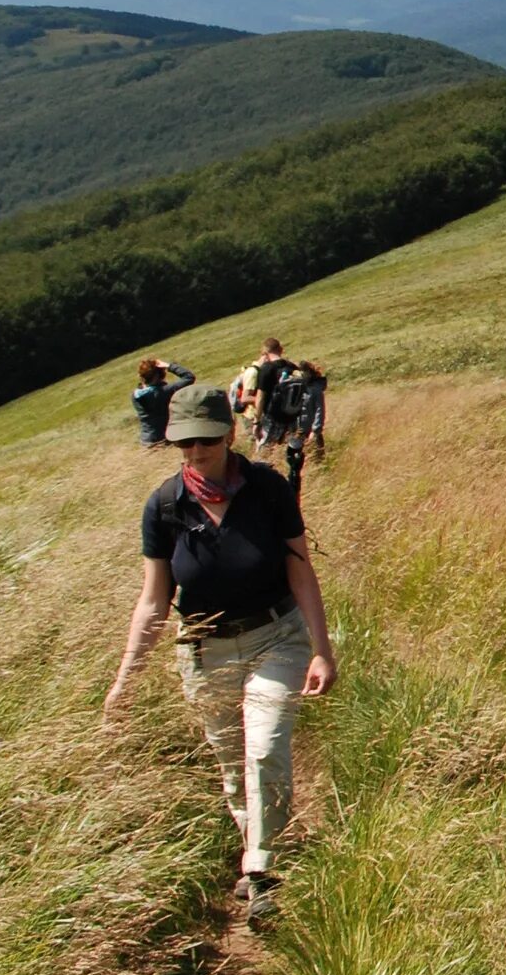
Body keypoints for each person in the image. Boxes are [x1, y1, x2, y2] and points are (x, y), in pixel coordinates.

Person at [103, 383, 337, 924]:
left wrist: (321, 651)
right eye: (183, 443)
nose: (195, 452)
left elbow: (300, 568)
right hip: (205, 653)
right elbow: (153, 601)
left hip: (276, 637)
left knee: (265, 747)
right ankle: (261, 850)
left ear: (230, 434)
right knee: (234, 767)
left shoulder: (267, 489)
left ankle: (260, 868)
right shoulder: (164, 506)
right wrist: (124, 680)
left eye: (205, 440)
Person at [234, 336, 297, 458]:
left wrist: (257, 422)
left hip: (272, 417)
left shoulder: (266, 369)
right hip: (292, 417)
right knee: (290, 450)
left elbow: (260, 398)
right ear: (281, 349)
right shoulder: (291, 367)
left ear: (265, 353)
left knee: (264, 452)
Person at [274, 359, 328, 492]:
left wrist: (315, 431)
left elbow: (319, 411)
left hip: (310, 430)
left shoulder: (315, 390)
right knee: (295, 457)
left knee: (316, 456)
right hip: (296, 429)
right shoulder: (294, 388)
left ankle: (320, 479)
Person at [130, 358, 197, 448]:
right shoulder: (165, 391)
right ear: (158, 375)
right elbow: (189, 377)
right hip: (165, 439)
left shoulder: (135, 395)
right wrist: (169, 366)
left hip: (147, 441)